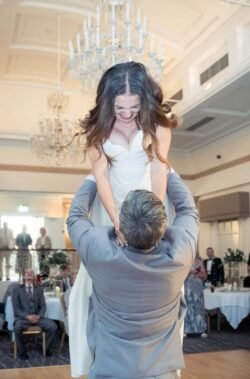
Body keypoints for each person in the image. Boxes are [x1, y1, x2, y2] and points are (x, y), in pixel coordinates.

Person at [69, 61, 179, 377]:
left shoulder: (160, 124)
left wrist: (153, 218)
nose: (128, 114)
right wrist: (118, 220)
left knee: (160, 284)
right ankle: (99, 361)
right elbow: (101, 177)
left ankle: (158, 358)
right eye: (120, 107)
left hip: (149, 195)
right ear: (108, 102)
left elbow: (159, 167)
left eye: (135, 106)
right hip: (113, 202)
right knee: (94, 288)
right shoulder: (98, 131)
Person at [67, 169, 199, 379]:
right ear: (163, 228)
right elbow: (187, 210)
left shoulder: (98, 252)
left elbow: (75, 216)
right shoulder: (181, 254)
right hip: (162, 373)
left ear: (120, 224)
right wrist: (168, 171)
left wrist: (95, 176)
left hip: (109, 371)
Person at [12, 268, 57, 360]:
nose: (29, 274)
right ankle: (22, 352)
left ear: (33, 276)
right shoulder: (17, 290)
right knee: (17, 328)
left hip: (38, 317)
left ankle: (46, 348)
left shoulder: (39, 289)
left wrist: (39, 316)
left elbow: (43, 306)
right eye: (27, 272)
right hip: (23, 318)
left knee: (53, 326)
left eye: (31, 272)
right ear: (24, 276)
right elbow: (16, 309)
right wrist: (27, 316)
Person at [184, 253, 208, 338]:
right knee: (188, 308)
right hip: (187, 288)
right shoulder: (184, 259)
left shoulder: (200, 260)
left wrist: (199, 274)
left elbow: (205, 276)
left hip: (198, 287)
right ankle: (186, 330)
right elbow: (179, 276)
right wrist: (189, 272)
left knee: (199, 308)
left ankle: (201, 330)